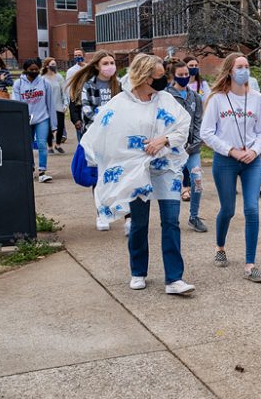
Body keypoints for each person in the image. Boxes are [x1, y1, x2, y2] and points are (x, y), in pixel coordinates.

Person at [81, 53, 195, 296]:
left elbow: (183, 126)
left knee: (171, 222)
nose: (163, 80)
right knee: (139, 223)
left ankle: (174, 278)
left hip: (166, 169)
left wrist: (164, 139)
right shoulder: (120, 104)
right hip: (135, 171)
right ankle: (138, 272)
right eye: (159, 77)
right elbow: (103, 134)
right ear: (144, 78)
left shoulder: (165, 100)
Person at [200, 54, 261, 283]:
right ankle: (220, 247)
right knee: (228, 209)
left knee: (252, 209)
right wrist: (231, 150)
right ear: (230, 71)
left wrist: (254, 151)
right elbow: (207, 133)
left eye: (247, 67)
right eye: (240, 67)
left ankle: (250, 264)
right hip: (226, 161)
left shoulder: (256, 98)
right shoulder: (218, 99)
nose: (245, 70)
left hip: (251, 161)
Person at [68, 52, 122, 229]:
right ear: (97, 66)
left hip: (116, 137)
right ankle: (102, 214)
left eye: (112, 63)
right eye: (105, 63)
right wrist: (106, 118)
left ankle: (124, 214)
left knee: (117, 176)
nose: (110, 66)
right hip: (95, 137)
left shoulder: (119, 84)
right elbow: (87, 112)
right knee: (98, 178)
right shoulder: (88, 85)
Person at [165, 58, 206, 233]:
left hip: (192, 148)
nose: (184, 77)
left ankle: (194, 216)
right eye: (180, 75)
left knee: (197, 181)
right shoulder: (166, 96)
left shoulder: (194, 97)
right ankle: (170, 219)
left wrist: (194, 143)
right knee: (172, 184)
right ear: (173, 76)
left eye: (186, 75)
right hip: (172, 149)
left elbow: (199, 123)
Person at [11, 58, 59, 183]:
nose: (34, 71)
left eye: (36, 69)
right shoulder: (18, 84)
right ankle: (30, 169)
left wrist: (54, 124)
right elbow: (15, 103)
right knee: (28, 145)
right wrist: (17, 120)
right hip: (25, 119)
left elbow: (50, 104)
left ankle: (42, 171)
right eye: (31, 69)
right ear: (25, 70)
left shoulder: (44, 83)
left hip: (42, 118)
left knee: (42, 144)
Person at [43, 58, 67, 154]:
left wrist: (65, 103)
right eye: (52, 64)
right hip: (47, 107)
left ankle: (58, 144)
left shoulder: (59, 77)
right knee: (48, 127)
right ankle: (49, 146)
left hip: (58, 106)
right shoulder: (42, 78)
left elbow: (64, 92)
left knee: (60, 126)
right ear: (47, 66)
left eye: (55, 64)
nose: (54, 66)